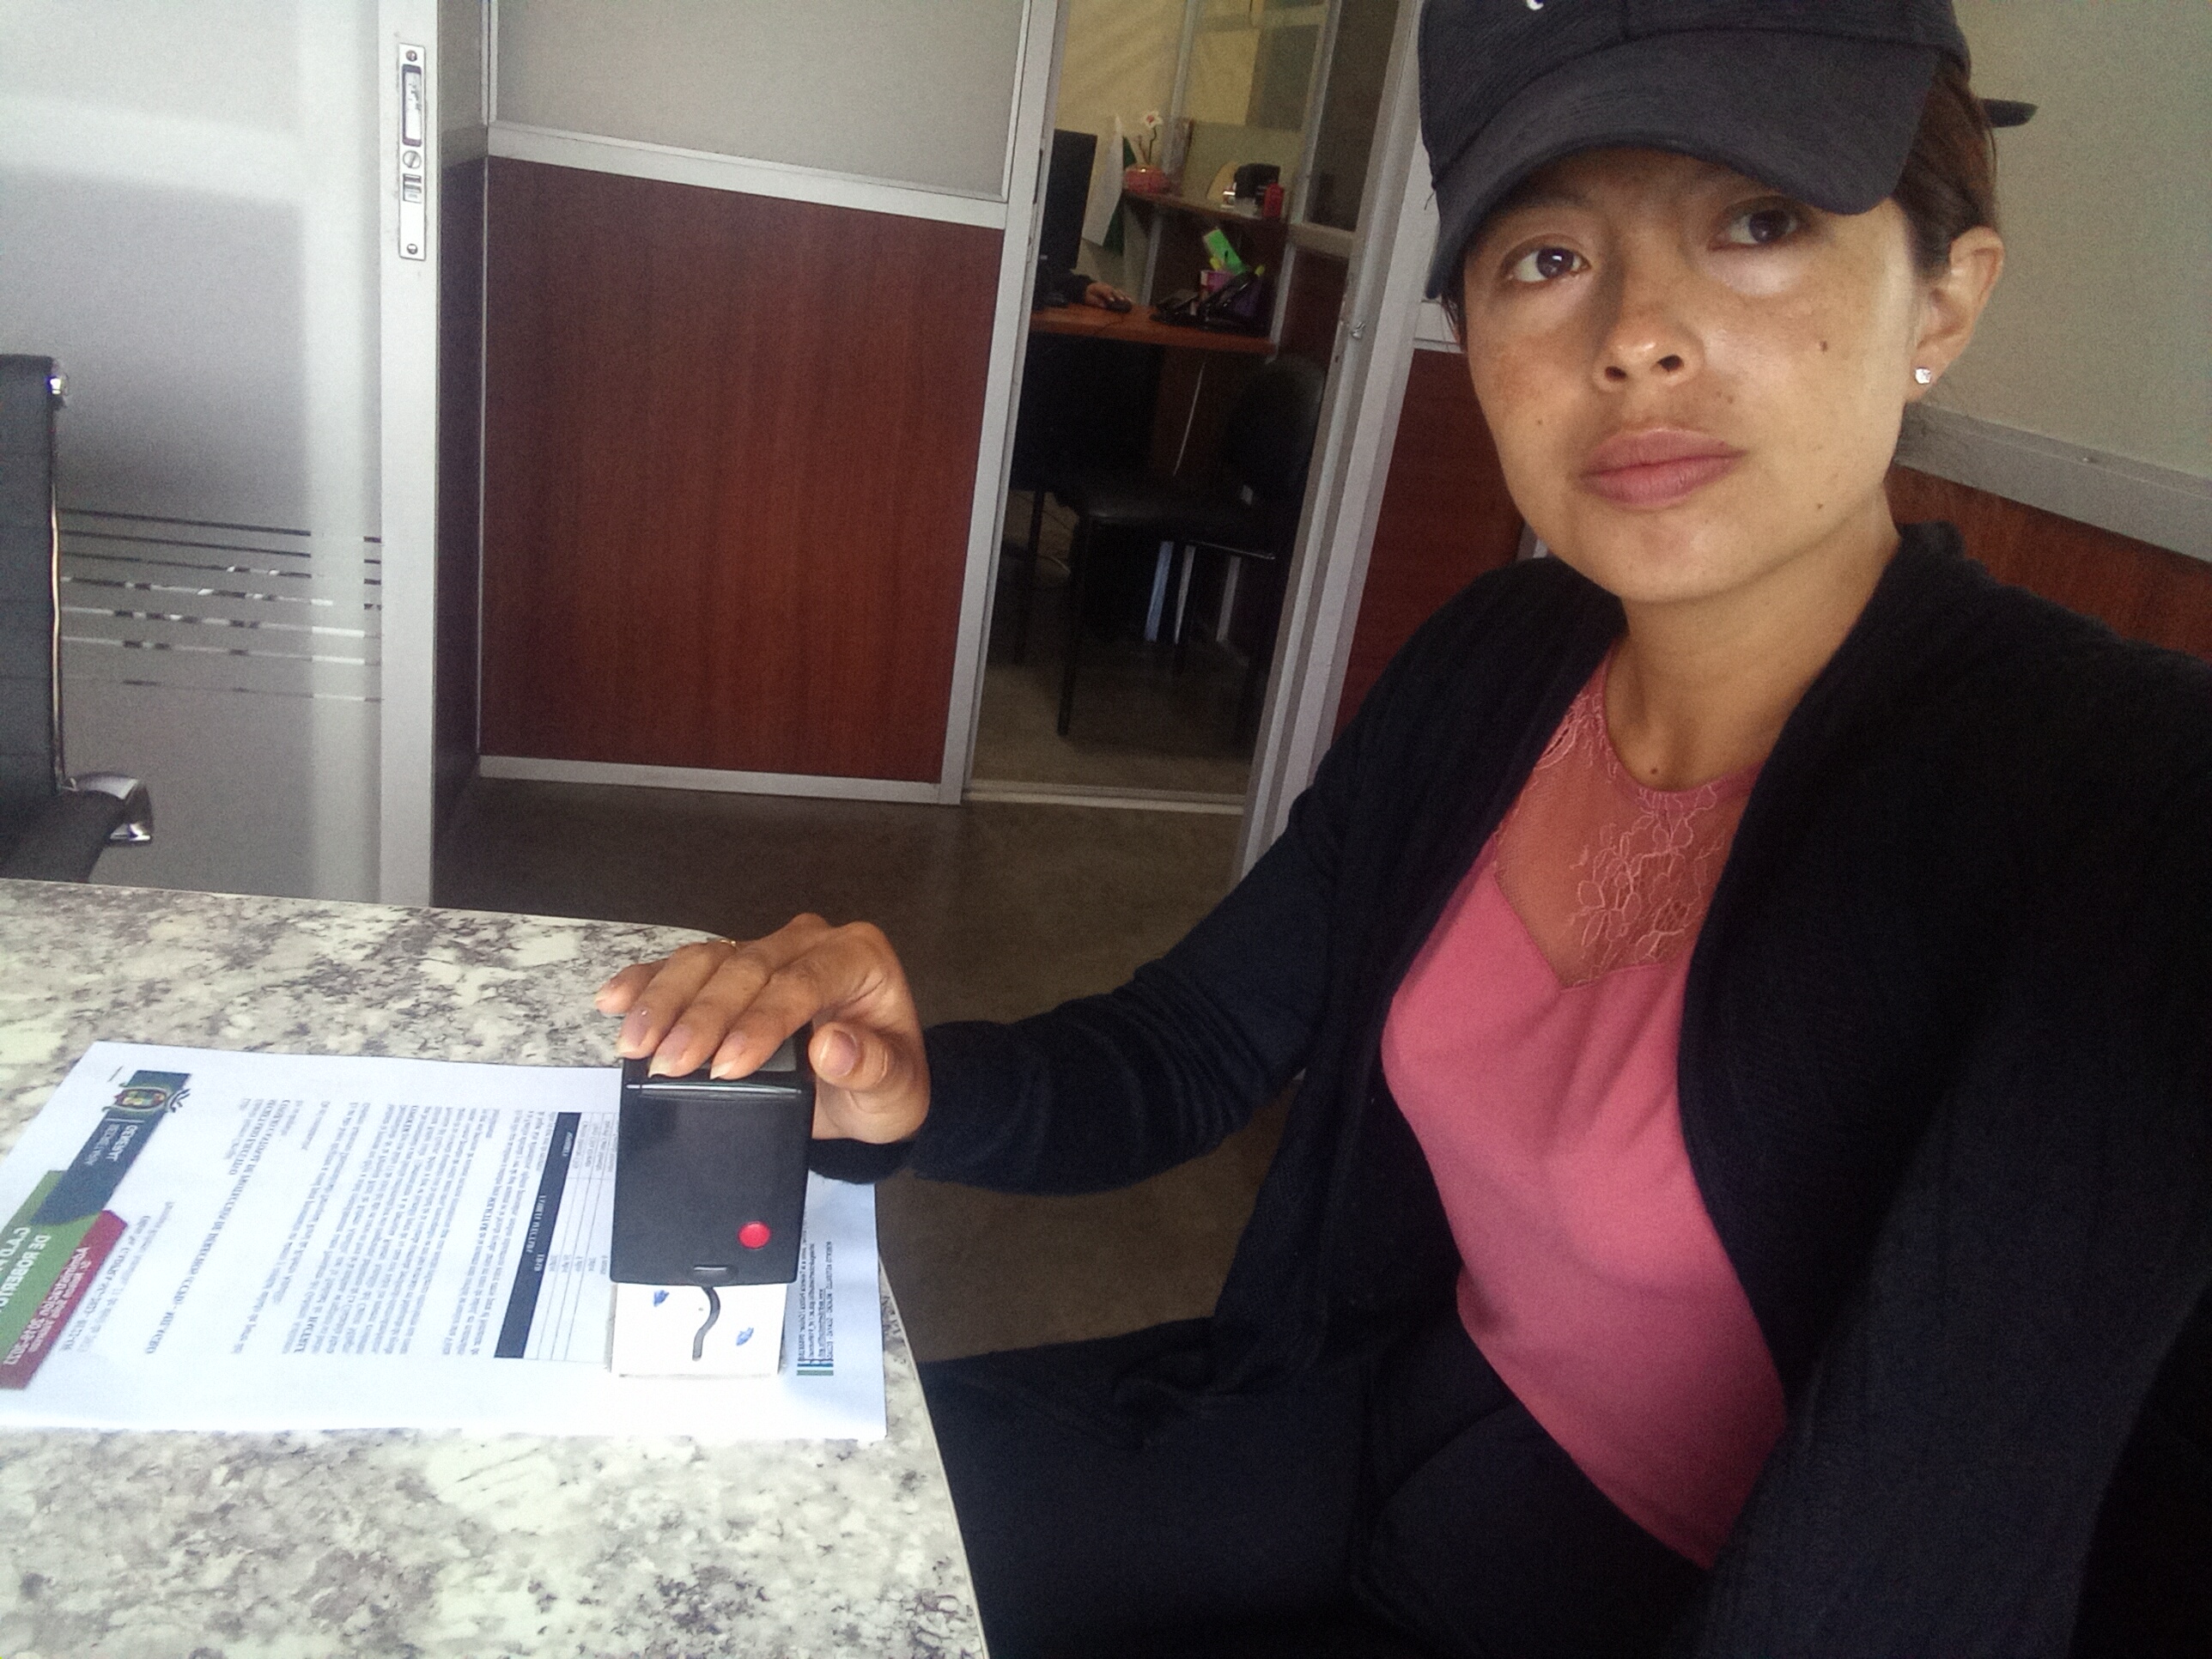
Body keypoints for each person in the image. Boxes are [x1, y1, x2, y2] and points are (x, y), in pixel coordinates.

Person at [596, 3, 2212, 1653]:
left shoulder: (2121, 803)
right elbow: (1190, 1045)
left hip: (1687, 1600)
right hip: (1370, 1419)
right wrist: (917, 1086)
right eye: (1547, 258)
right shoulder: (1498, 664)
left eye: (1759, 222)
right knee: (696, 1543)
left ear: (1943, 297)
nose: (1637, 340)